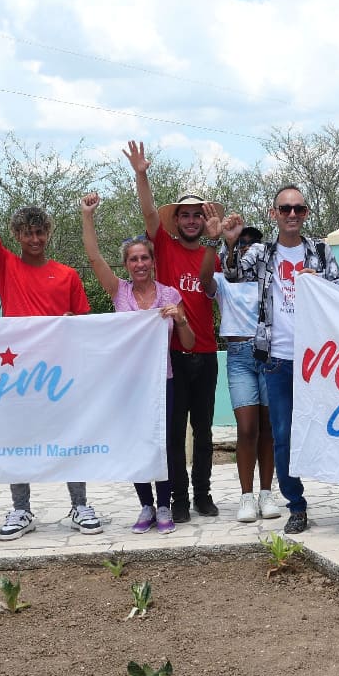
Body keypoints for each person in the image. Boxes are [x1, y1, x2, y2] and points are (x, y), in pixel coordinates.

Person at [0, 164, 102, 541]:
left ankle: (79, 504)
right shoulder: (5, 265)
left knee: (70, 437)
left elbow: (84, 325)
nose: (35, 239)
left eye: (40, 232)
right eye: (28, 233)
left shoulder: (68, 275)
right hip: (17, 374)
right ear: (17, 236)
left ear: (49, 233)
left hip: (59, 374)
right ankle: (21, 510)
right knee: (18, 440)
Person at [218, 184, 339, 535]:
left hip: (317, 359)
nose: (292, 215)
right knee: (283, 436)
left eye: (299, 209)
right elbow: (233, 275)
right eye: (285, 209)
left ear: (306, 213)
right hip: (276, 359)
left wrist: (319, 282)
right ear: (274, 213)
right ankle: (297, 505)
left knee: (336, 429)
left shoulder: (319, 250)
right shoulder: (261, 252)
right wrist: (229, 242)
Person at [81, 194, 193, 535]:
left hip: (164, 380)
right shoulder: (120, 292)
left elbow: (187, 343)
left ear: (153, 261)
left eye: (145, 257)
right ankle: (144, 504)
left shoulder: (170, 295)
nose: (140, 264)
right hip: (128, 383)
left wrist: (182, 320)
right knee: (134, 442)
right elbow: (94, 256)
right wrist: (88, 216)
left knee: (162, 444)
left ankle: (164, 506)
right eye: (133, 259)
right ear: (126, 265)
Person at [125, 141, 221, 522]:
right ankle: (178, 498)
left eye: (197, 215)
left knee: (205, 431)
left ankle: (203, 493)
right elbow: (149, 211)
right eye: (185, 215)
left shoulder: (212, 250)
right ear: (176, 221)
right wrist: (141, 174)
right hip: (170, 356)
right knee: (173, 433)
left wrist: (216, 239)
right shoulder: (162, 245)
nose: (192, 221)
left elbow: (210, 283)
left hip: (206, 351)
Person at [199, 215, 281, 524]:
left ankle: (266, 493)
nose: (247, 249)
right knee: (246, 429)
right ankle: (246, 497)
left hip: (269, 356)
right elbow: (204, 280)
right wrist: (224, 241)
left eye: (252, 244)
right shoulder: (223, 280)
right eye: (242, 244)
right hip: (239, 357)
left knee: (267, 430)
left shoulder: (269, 283)